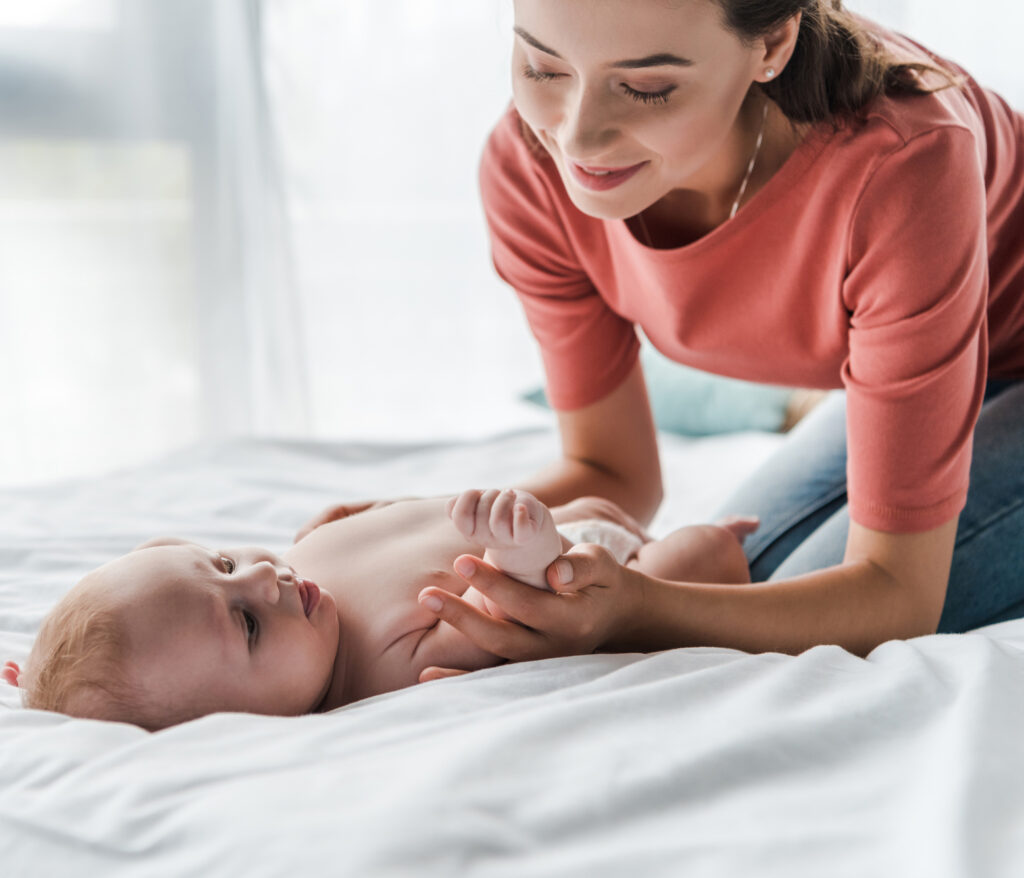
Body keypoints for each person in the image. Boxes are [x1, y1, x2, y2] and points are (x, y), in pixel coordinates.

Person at [299, 0, 1024, 671]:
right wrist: (426, 527)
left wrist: (635, 610)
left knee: (784, 608)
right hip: (965, 359)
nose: (576, 135)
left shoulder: (901, 162)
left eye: (646, 88)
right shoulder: (532, 168)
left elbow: (894, 593)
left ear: (771, 42)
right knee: (734, 572)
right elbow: (616, 474)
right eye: (542, 67)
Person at [0, 489, 755, 730]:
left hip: (572, 513)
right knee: (696, 554)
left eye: (223, 564)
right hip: (592, 575)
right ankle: (728, 549)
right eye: (247, 624)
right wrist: (526, 549)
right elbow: (524, 619)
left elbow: (163, 559)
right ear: (245, 723)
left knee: (595, 503)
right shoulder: (392, 667)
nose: (263, 578)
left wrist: (42, 671)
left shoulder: (299, 578)